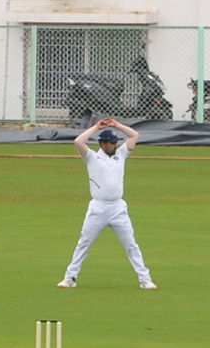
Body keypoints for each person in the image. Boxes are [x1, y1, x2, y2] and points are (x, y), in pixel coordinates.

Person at [57, 118, 157, 290]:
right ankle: (69, 278)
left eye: (115, 142)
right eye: (111, 143)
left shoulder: (121, 154)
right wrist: (96, 127)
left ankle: (145, 279)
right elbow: (78, 141)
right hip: (98, 207)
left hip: (118, 207)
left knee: (131, 244)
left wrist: (117, 125)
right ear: (103, 144)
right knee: (84, 243)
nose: (115, 145)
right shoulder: (92, 157)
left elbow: (134, 136)